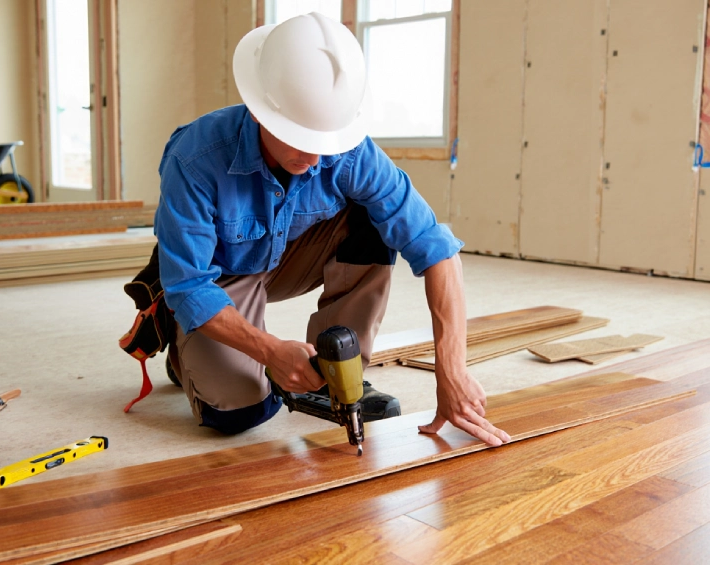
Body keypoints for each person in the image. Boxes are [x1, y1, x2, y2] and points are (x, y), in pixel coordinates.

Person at [129, 12, 510, 447]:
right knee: (240, 411)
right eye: (298, 137)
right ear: (260, 112)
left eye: (325, 140)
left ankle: (335, 373)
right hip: (221, 273)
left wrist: (452, 370)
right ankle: (184, 351)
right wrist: (271, 351)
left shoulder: (348, 150)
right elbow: (190, 286)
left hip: (291, 256)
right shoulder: (196, 158)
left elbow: (435, 247)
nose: (315, 157)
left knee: (375, 220)